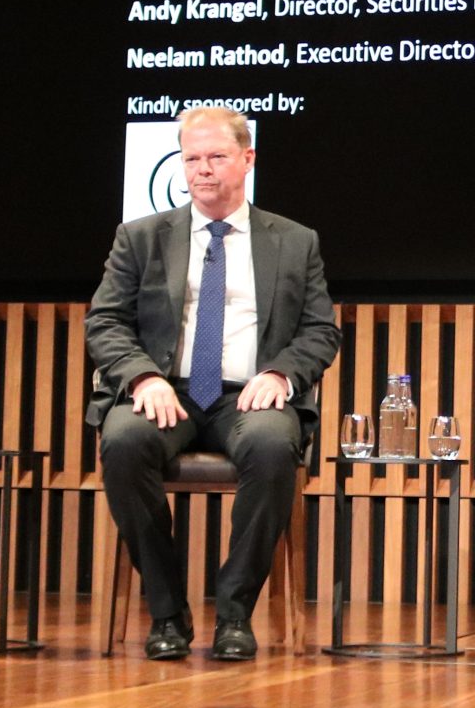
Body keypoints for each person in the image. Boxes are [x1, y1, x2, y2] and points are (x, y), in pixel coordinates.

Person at [86, 106, 339, 662]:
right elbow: (104, 322)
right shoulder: (141, 237)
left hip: (247, 395)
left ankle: (234, 614)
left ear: (247, 159)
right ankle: (166, 612)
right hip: (165, 390)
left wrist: (281, 372)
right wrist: (142, 376)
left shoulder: (294, 241)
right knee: (123, 441)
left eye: (216, 157)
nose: (202, 169)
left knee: (272, 446)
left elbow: (321, 331)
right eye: (192, 158)